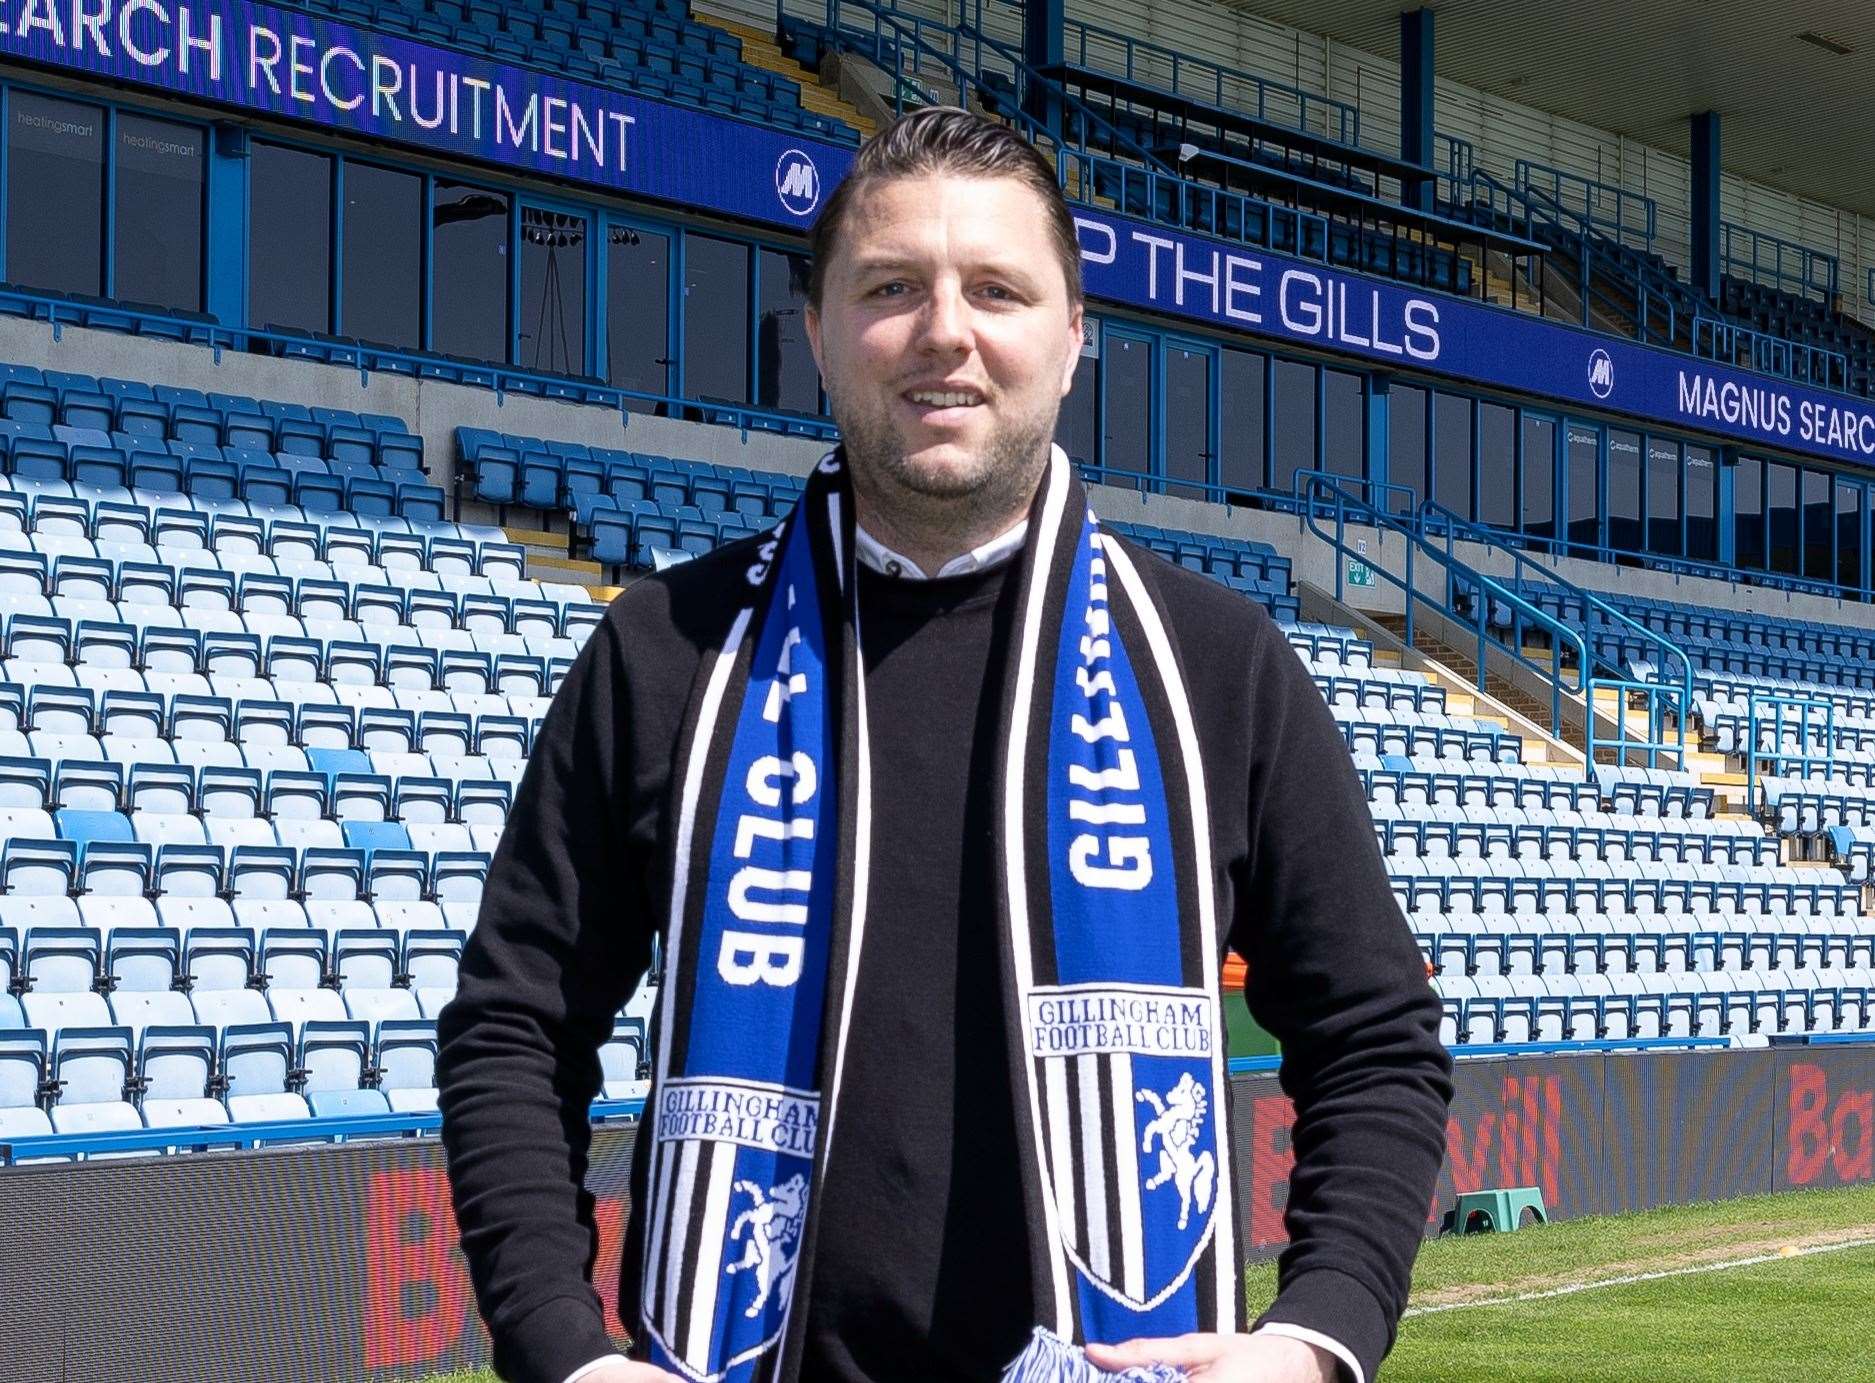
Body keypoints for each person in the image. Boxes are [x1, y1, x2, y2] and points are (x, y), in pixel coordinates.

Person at [437, 106, 1453, 1383]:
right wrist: (564, 1353)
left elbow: (1374, 1038)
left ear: (1075, 338)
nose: (945, 333)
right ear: (816, 334)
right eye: (892, 287)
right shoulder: (665, 652)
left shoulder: (1217, 661)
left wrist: (1318, 1338)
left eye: (998, 290)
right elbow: (512, 1029)